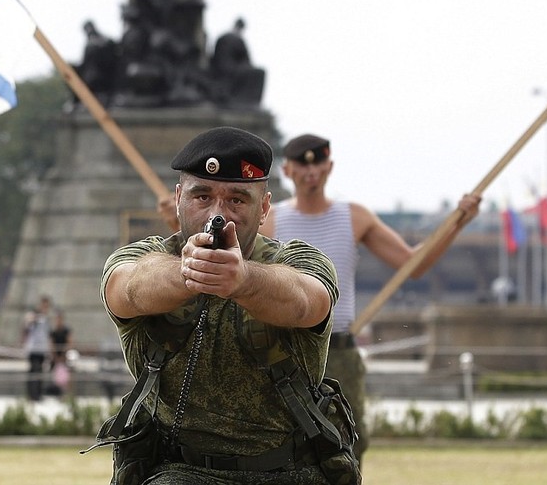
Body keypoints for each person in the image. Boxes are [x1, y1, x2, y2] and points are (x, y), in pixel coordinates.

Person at [97, 127, 360, 484]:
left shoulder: (298, 260)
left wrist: (245, 281)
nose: (217, 213)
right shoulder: (146, 258)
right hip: (180, 471)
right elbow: (125, 288)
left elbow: (307, 301)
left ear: (264, 207)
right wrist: (187, 273)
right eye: (201, 196)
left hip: (290, 471)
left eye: (237, 199)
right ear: (178, 199)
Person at [257, 133, 482, 465]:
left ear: (329, 166)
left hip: (339, 346)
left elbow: (411, 265)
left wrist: (458, 223)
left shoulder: (354, 217)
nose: (311, 173)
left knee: (347, 440)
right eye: (301, 166)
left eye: (318, 163)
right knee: (277, 439)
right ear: (287, 171)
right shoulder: (270, 220)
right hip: (286, 345)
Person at [22, 295, 52, 401]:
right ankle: (31, 394)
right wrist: (35, 317)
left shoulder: (46, 319)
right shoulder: (33, 315)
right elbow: (26, 326)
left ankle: (38, 394)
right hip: (33, 349)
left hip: (42, 350)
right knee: (33, 372)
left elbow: (47, 335)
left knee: (39, 372)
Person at [48, 311, 73, 396]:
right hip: (56, 358)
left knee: (67, 376)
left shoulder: (66, 330)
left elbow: (69, 343)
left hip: (64, 357)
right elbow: (51, 344)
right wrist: (56, 357)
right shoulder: (53, 331)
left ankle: (67, 395)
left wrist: (63, 356)